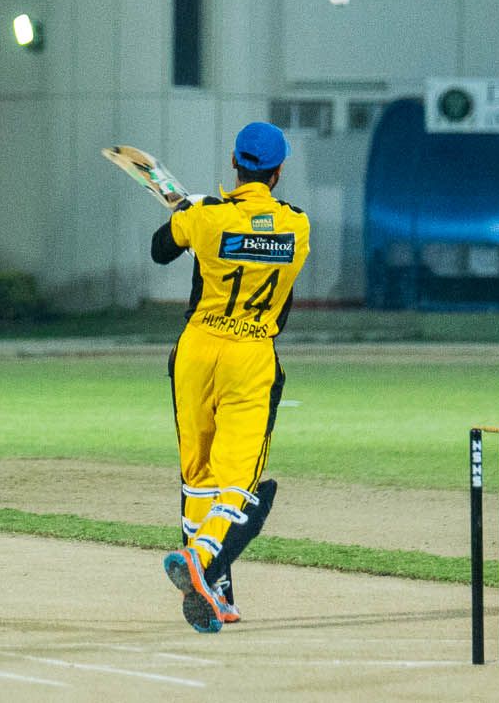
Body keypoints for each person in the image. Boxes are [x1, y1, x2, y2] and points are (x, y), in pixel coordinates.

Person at [149, 121, 310, 634]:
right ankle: (201, 560)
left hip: (196, 352)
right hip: (250, 354)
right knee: (238, 483)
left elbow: (159, 249)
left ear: (235, 163)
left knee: (198, 478)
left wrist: (187, 214)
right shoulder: (297, 226)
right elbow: (282, 299)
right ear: (278, 172)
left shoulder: (205, 217)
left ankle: (215, 591)